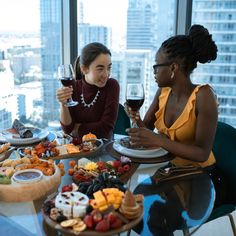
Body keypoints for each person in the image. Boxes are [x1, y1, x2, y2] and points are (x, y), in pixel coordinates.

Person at [125, 25, 226, 207]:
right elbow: (146, 130)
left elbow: (202, 153)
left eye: (157, 66)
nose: (153, 71)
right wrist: (136, 118)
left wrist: (159, 140)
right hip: (173, 172)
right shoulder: (163, 92)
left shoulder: (204, 96)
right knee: (133, 200)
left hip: (202, 177)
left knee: (151, 211)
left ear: (173, 67)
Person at [56, 42, 120, 142]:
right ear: (84, 69)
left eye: (109, 68)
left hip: (104, 147)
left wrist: (77, 129)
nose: (106, 74)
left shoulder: (112, 85)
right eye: (100, 69)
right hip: (76, 149)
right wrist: (63, 103)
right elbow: (67, 129)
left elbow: (105, 128)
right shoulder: (72, 86)